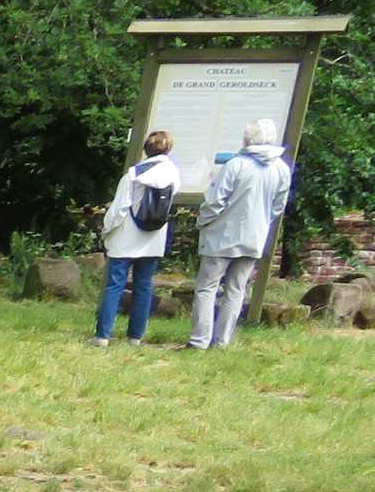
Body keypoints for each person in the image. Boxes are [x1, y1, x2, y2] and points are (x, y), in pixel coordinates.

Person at [187, 118, 293, 351]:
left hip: (221, 236)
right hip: (254, 237)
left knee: (207, 288)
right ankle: (222, 341)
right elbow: (278, 207)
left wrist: (202, 222)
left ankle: (199, 340)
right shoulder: (282, 169)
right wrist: (261, 223)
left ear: (247, 139)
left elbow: (215, 201)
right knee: (236, 290)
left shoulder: (235, 165)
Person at [93, 129, 180, 346]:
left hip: (126, 238)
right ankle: (135, 337)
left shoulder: (133, 174)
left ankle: (103, 335)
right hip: (153, 239)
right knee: (144, 286)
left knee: (114, 285)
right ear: (168, 149)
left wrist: (106, 231)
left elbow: (119, 209)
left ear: (146, 149)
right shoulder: (174, 174)